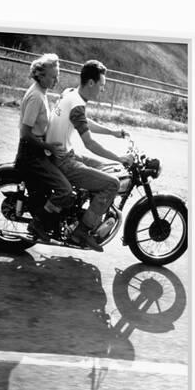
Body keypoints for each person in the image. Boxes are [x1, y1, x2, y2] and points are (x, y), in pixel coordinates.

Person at [45, 59, 133, 252]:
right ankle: (82, 231)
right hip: (63, 161)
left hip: (63, 154)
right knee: (112, 183)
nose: (103, 90)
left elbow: (83, 120)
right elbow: (90, 143)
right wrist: (120, 158)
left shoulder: (70, 93)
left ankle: (87, 213)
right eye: (102, 85)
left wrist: (112, 132)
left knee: (107, 169)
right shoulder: (76, 103)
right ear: (91, 83)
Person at [14, 53, 74, 241]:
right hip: (32, 155)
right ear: (40, 75)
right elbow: (25, 133)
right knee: (65, 190)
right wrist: (49, 146)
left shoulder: (41, 92)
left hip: (38, 151)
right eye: (52, 76)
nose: (56, 80)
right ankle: (38, 224)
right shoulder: (36, 97)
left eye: (58, 75)